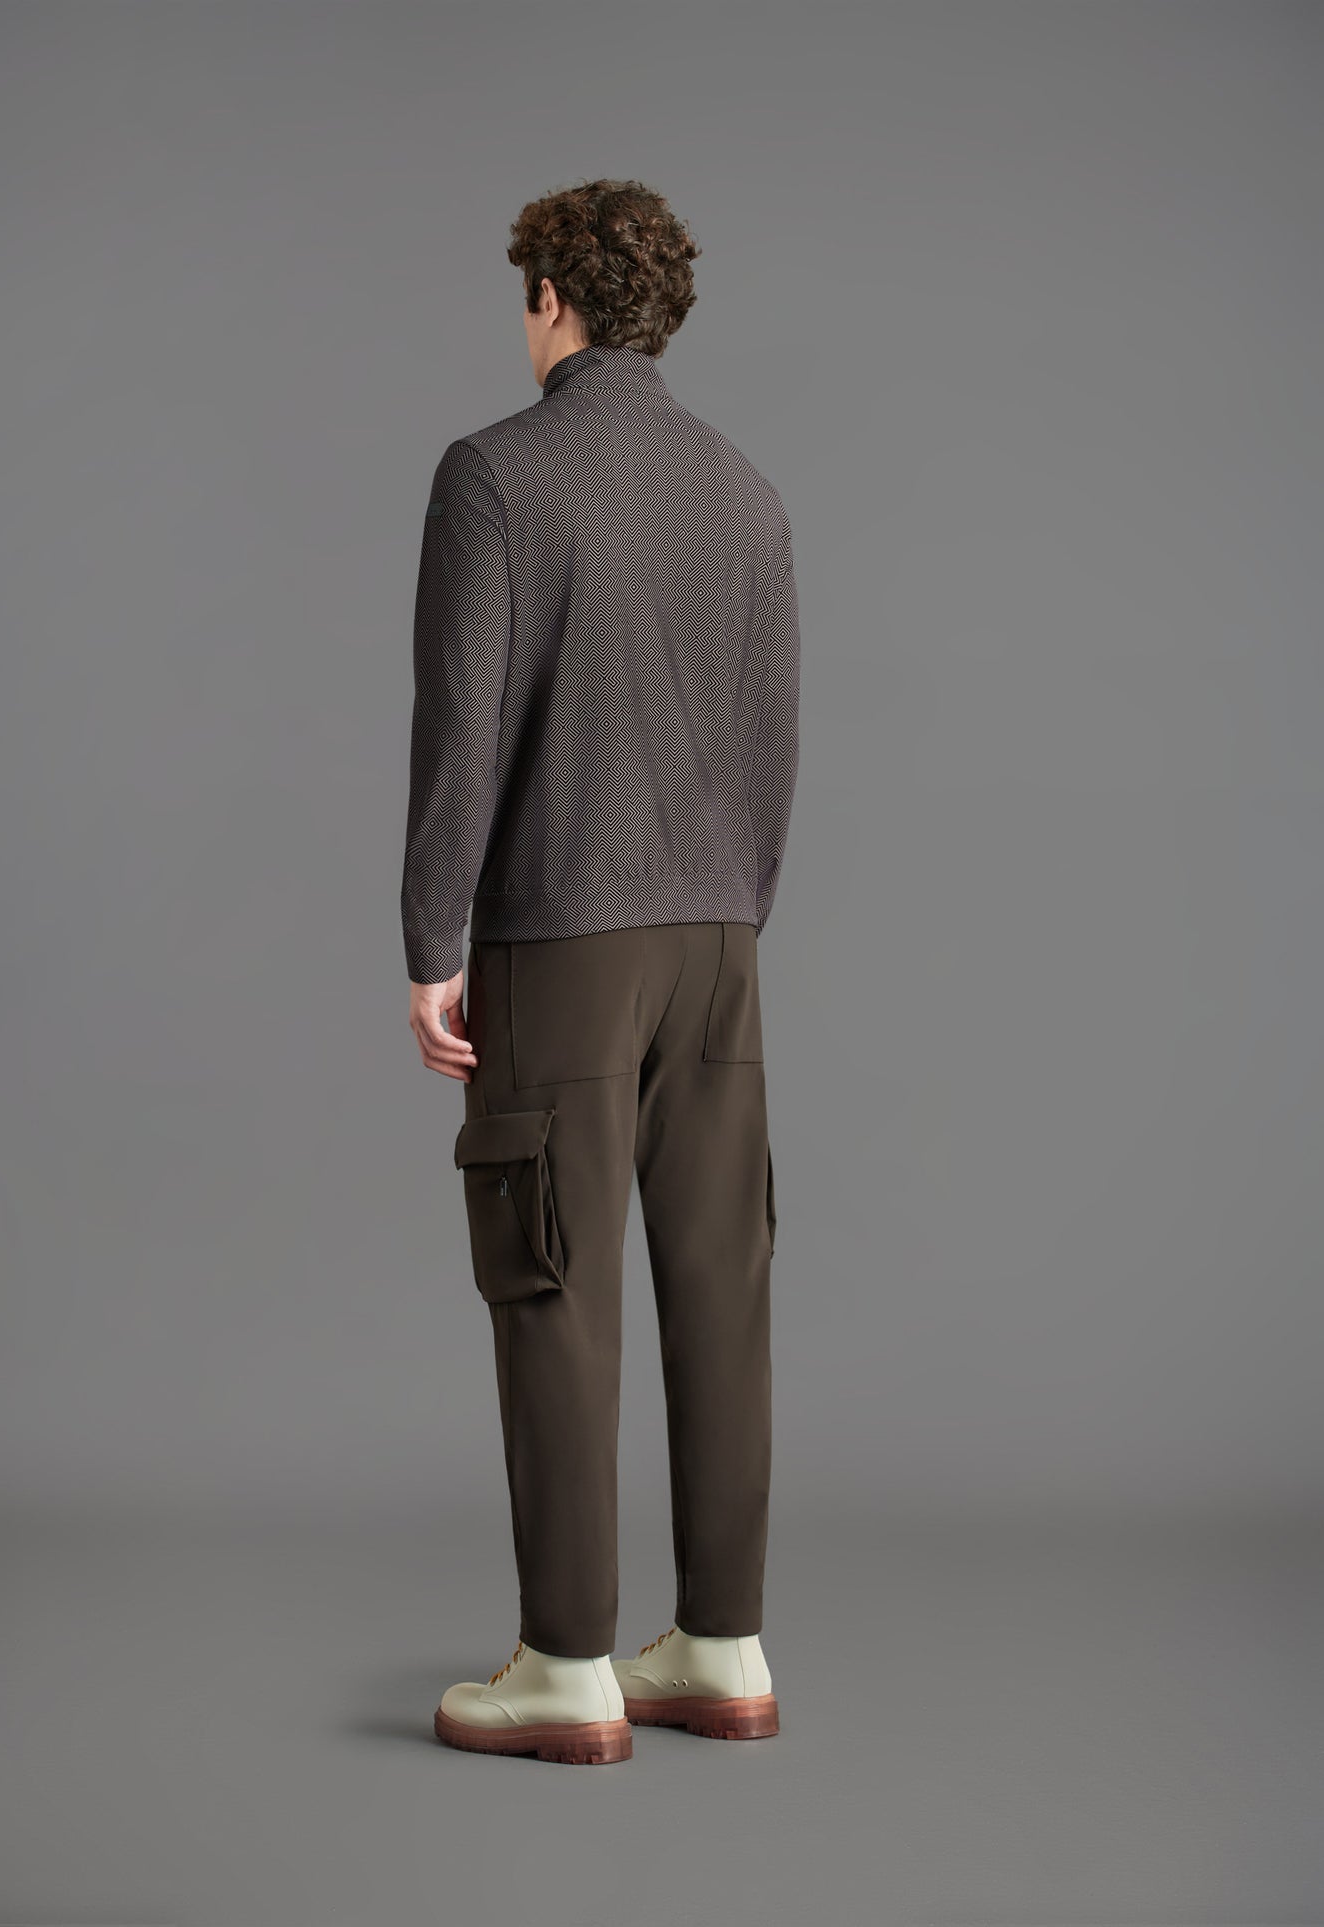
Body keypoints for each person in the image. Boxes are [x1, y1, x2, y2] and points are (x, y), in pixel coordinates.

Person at [401, 178, 800, 1766]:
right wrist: (726, 917)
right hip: (717, 947)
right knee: (721, 1283)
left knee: (553, 1285)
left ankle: (565, 1664)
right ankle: (722, 1646)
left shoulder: (494, 477)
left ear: (551, 300)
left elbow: (460, 735)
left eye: (525, 295)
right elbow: (771, 752)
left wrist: (433, 946)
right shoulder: (747, 493)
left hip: (558, 939)